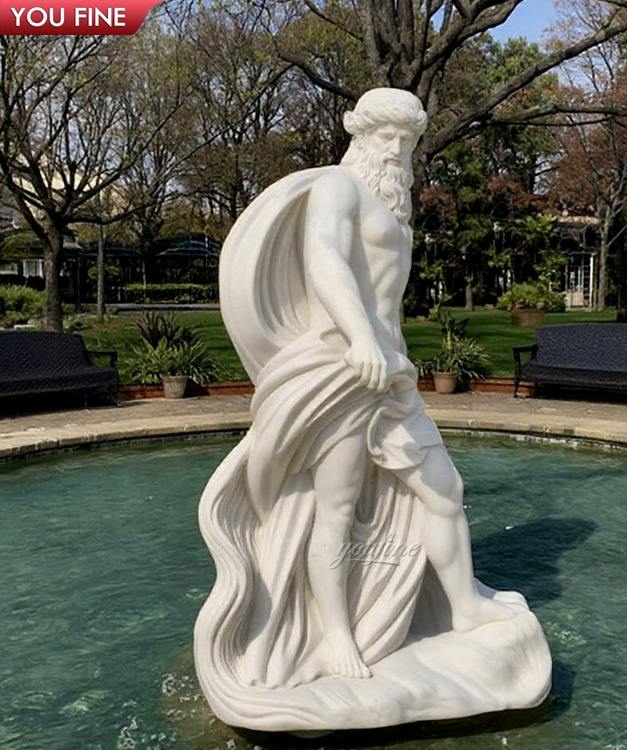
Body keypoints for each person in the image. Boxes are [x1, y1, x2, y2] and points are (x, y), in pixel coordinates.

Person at [195, 88, 525, 698]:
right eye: (386, 138)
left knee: (444, 489)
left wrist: (385, 348)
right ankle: (336, 635)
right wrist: (362, 338)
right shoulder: (338, 188)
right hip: (344, 368)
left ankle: (463, 605)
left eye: (407, 141)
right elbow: (325, 259)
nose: (397, 150)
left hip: (390, 374)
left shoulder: (393, 204)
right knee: (337, 508)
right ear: (360, 135)